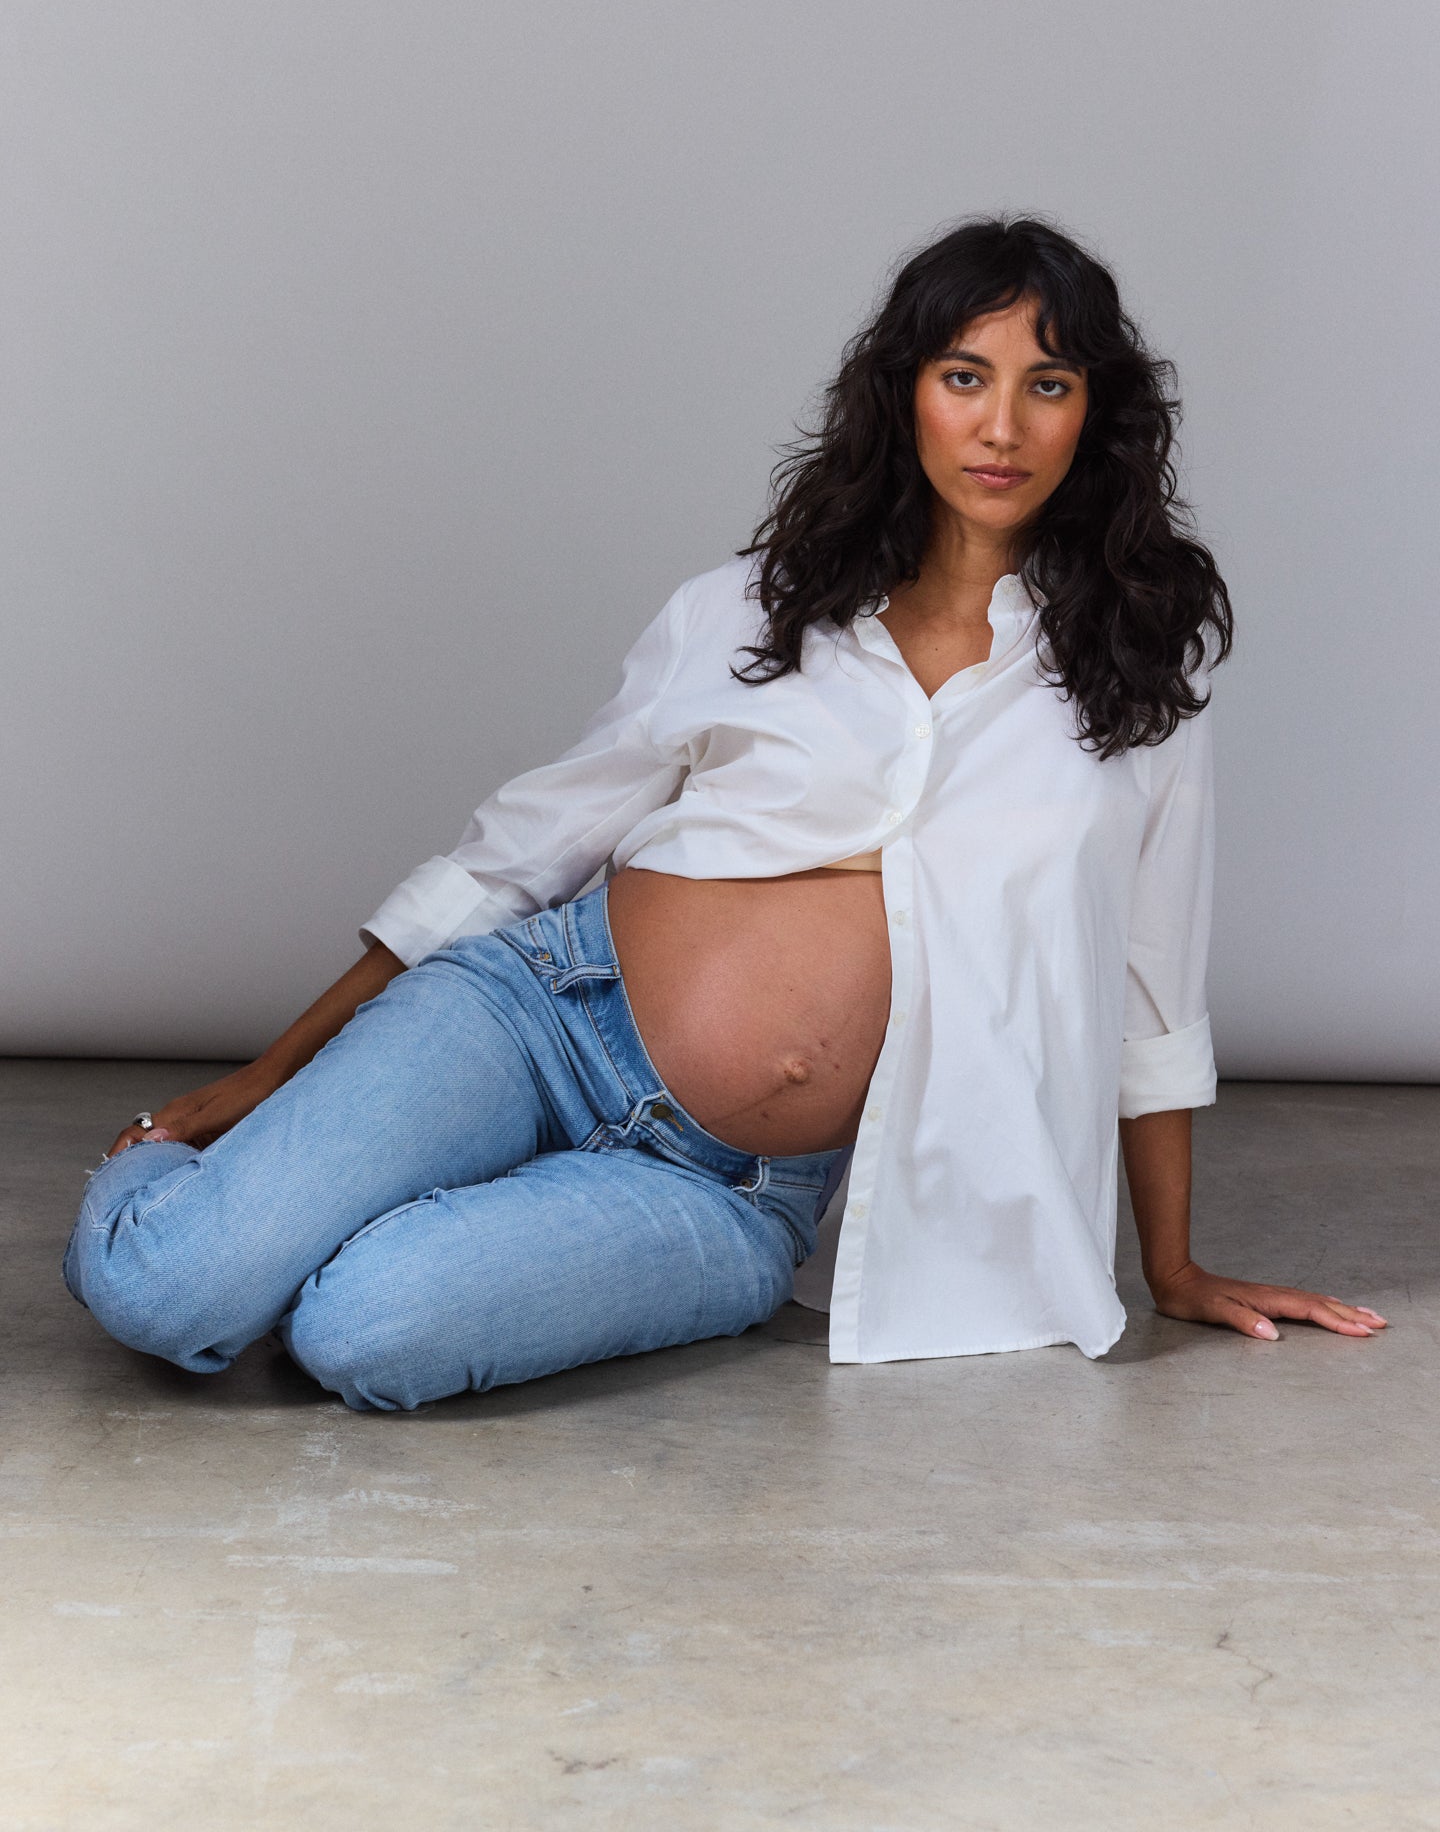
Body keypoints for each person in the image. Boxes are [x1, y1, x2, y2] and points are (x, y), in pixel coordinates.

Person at [64, 214, 1385, 1411]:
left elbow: (1153, 990)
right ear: (907, 397)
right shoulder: (753, 610)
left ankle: (336, 1216)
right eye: (964, 378)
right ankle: (210, 1198)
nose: (1002, 428)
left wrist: (1174, 1267)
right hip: (536, 1017)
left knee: (364, 1332)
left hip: (721, 1187)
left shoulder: (1140, 679)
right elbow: (523, 847)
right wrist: (271, 1074)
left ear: (1094, 417)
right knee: (171, 1292)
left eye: (1048, 386)